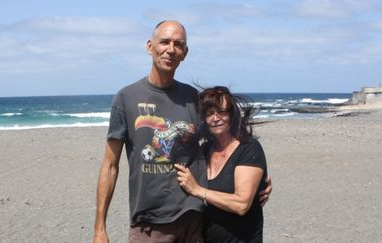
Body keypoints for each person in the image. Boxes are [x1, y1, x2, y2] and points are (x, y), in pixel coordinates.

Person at [93, 20, 271, 243]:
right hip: (150, 224)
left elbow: (221, 143)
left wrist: (257, 177)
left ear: (184, 53)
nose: (171, 49)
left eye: (178, 44)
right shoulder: (126, 98)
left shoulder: (191, 99)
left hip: (194, 220)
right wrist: (100, 228)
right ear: (150, 46)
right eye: (164, 42)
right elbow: (110, 165)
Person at [175, 86, 269, 242]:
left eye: (221, 112)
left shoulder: (249, 148)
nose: (215, 118)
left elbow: (241, 204)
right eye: (209, 113)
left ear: (232, 115)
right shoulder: (204, 150)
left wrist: (197, 190)